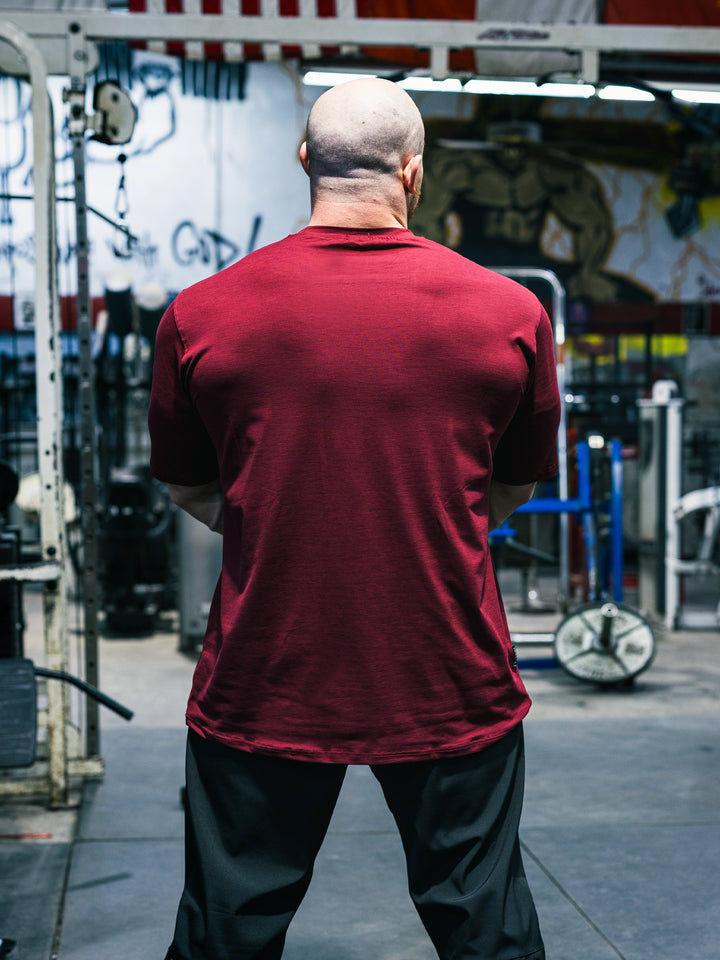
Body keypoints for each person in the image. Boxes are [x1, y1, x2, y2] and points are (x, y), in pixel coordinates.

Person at [148, 77, 561, 960]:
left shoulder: (199, 313)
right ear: (415, 173)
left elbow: (189, 487)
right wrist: (413, 517)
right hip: (449, 673)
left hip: (265, 671)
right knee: (487, 928)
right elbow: (510, 488)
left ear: (305, 162)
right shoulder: (513, 313)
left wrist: (289, 519)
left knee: (227, 930)